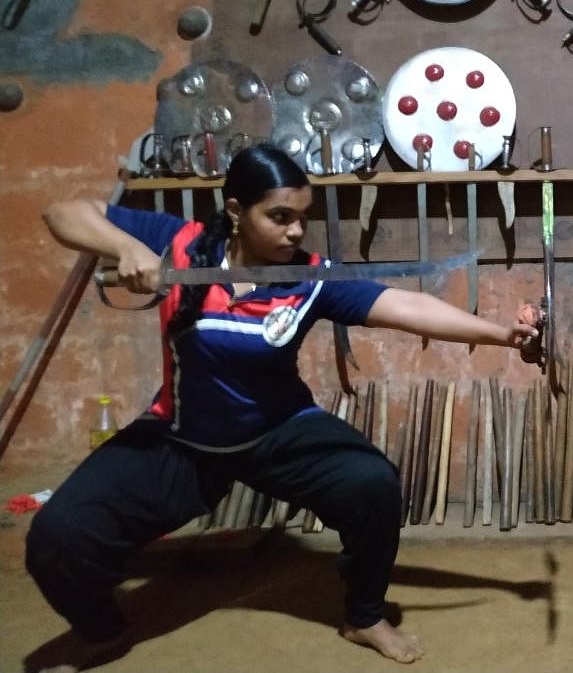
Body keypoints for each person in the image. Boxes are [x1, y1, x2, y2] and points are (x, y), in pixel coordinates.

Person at [27, 144, 538, 669]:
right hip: (184, 435)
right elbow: (63, 213)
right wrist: (126, 247)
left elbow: (405, 307)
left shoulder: (311, 276)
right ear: (234, 212)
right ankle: (102, 630)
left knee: (372, 484)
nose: (295, 232)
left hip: (279, 430)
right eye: (279, 217)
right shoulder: (179, 245)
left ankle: (364, 616)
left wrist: (502, 334)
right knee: (56, 537)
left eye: (302, 219)